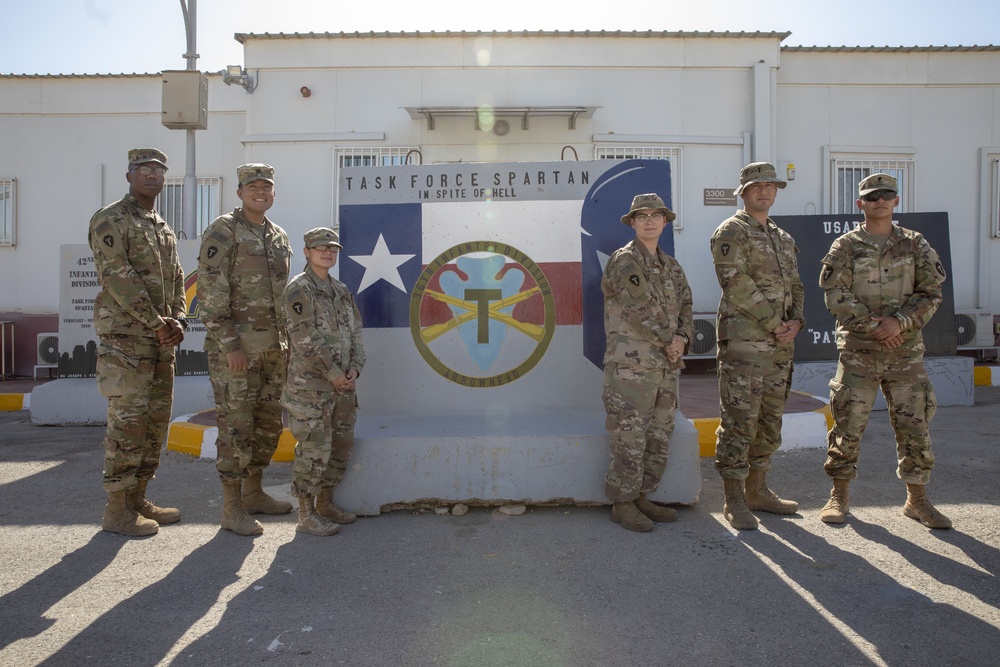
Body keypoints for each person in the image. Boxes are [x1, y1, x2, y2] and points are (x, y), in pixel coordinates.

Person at [818, 173, 951, 529]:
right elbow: (836, 295)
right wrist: (877, 326)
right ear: (860, 203)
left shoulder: (915, 244)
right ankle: (840, 495)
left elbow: (931, 291)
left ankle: (917, 500)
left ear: (896, 202)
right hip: (860, 351)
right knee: (848, 423)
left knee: (915, 425)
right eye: (872, 196)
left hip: (904, 353)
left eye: (886, 195)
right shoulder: (845, 246)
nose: (880, 201)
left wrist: (901, 322)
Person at [88, 148, 185, 537]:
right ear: (130, 176)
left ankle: (137, 498)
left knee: (153, 424)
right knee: (127, 426)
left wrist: (177, 318)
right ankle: (116, 510)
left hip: (160, 340)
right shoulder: (110, 218)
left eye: (158, 170)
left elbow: (177, 277)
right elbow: (118, 275)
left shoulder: (161, 225)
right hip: (127, 340)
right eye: (144, 169)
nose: (152, 176)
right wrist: (156, 321)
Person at [198, 163, 293, 536]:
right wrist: (230, 346)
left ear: (273, 193)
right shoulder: (223, 231)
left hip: (274, 351)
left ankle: (254, 493)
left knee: (267, 426)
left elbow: (284, 298)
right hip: (237, 354)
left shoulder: (279, 236)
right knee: (236, 427)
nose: (260, 192)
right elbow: (209, 296)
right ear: (239, 192)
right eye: (252, 186)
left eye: (266, 187)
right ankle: (232, 506)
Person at [710, 162, 804, 531]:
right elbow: (735, 282)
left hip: (780, 343)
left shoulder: (781, 236)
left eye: (769, 186)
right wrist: (774, 322)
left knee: (769, 417)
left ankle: (757, 489)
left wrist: (797, 320)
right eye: (756, 186)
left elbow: (796, 283)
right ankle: (733, 497)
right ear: (743, 192)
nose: (764, 191)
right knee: (740, 418)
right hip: (745, 342)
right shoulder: (731, 231)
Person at [601, 193, 693, 532]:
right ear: (633, 223)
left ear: (665, 222)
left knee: (658, 434)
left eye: (656, 215)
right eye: (643, 216)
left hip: (666, 365)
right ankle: (622, 503)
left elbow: (687, 304)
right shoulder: (625, 261)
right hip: (631, 367)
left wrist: (682, 338)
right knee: (630, 434)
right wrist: (669, 341)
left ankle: (641, 496)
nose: (650, 221)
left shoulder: (671, 266)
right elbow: (638, 308)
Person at [281, 228, 365, 536]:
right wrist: (333, 374)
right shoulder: (298, 289)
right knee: (314, 449)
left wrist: (355, 367)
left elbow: (355, 332)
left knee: (340, 446)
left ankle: (326, 502)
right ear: (307, 251)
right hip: (311, 387)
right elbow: (304, 337)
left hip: (343, 386)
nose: (327, 252)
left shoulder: (340, 289)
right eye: (320, 247)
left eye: (332, 248)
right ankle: (306, 513)